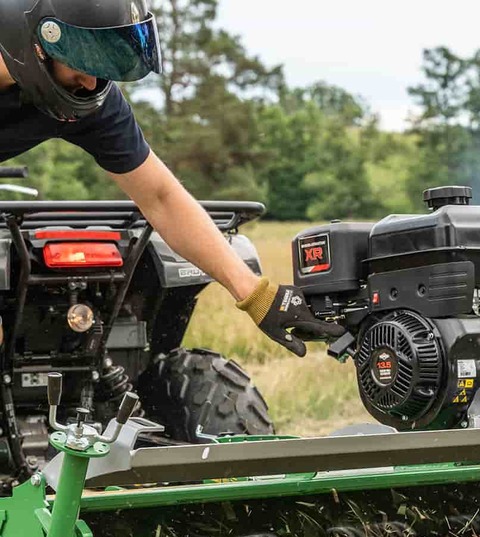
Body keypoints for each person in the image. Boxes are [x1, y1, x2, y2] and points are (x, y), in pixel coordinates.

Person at [0, 0, 344, 358]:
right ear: (34, 45)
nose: (91, 82)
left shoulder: (88, 100)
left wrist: (256, 295)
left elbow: (161, 198)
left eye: (100, 66)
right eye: (81, 64)